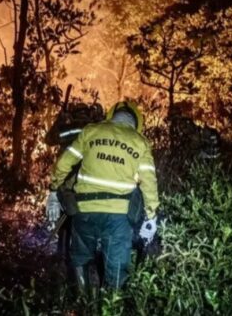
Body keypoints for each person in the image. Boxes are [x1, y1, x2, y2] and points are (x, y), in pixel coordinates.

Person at [46, 101, 159, 290]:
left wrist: (53, 189)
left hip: (85, 211)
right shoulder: (140, 142)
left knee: (80, 258)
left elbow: (63, 164)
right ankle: (111, 306)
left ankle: (83, 301)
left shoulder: (90, 131)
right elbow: (149, 181)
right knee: (116, 267)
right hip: (119, 217)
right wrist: (151, 214)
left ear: (111, 115)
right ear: (136, 122)